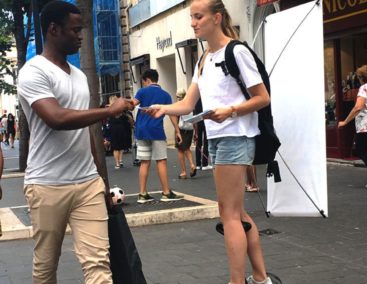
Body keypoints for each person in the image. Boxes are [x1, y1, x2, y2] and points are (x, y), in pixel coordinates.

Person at [145, 1, 272, 283]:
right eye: (192, 17)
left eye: (198, 16)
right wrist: (164, 109)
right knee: (236, 212)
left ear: (217, 18)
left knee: (228, 215)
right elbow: (189, 104)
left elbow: (263, 97)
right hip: (218, 139)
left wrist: (231, 111)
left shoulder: (236, 51)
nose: (193, 22)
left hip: (234, 136)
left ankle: (237, 281)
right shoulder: (204, 58)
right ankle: (261, 278)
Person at [17, 1, 134, 283]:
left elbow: (85, 130)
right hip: (46, 185)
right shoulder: (33, 72)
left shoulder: (80, 76)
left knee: (99, 266)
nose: (81, 36)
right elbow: (56, 118)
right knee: (46, 268)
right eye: (75, 30)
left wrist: (99, 179)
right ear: (54, 30)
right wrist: (109, 110)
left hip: (87, 185)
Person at [133, 69, 184, 203]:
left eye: (143, 82)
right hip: (156, 131)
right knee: (161, 160)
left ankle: (142, 194)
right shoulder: (165, 95)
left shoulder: (142, 92)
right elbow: (172, 114)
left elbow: (133, 104)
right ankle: (166, 193)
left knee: (144, 162)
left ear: (147, 80)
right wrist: (177, 130)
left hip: (141, 131)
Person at [175, 88, 197, 179]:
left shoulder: (179, 105)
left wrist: (176, 131)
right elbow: (195, 119)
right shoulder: (191, 105)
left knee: (180, 149)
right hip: (190, 129)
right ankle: (192, 165)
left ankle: (183, 172)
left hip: (181, 129)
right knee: (187, 148)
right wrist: (196, 132)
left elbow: (175, 118)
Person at [193, 99, 212, 170]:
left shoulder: (196, 100)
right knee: (206, 143)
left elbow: (194, 113)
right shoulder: (206, 99)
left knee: (198, 143)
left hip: (198, 122)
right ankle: (205, 164)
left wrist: (195, 128)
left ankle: (198, 164)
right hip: (207, 122)